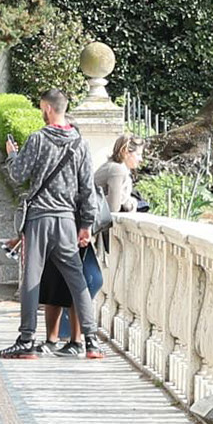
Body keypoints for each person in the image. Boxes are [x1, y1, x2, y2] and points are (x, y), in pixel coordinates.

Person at [0, 92, 98, 361]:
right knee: (77, 280)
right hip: (67, 220)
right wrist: (86, 223)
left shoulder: (38, 139)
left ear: (47, 108)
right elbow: (87, 188)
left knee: (32, 277)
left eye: (41, 108)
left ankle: (26, 339)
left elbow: (19, 175)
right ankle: (91, 341)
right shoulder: (80, 144)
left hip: (40, 217)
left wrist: (12, 156)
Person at [84, 131, 140, 315]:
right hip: (88, 229)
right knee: (92, 278)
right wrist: (131, 203)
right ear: (126, 152)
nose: (141, 159)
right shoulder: (117, 170)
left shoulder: (113, 167)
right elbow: (114, 207)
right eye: (138, 154)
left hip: (88, 227)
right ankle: (74, 327)